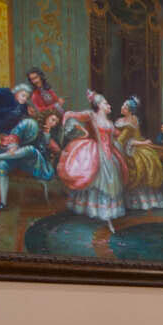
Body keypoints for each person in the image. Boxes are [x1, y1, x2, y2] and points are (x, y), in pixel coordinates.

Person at [56, 92, 127, 228]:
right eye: (106, 103)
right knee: (94, 176)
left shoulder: (110, 124)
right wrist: (68, 115)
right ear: (99, 105)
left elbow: (117, 136)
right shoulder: (92, 116)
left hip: (109, 154)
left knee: (112, 178)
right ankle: (95, 210)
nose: (109, 106)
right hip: (96, 152)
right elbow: (75, 115)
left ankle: (106, 212)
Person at [0, 114, 57, 209]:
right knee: (3, 165)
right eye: (53, 119)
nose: (54, 123)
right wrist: (14, 144)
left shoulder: (47, 134)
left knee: (30, 149)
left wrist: (47, 134)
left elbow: (50, 149)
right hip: (18, 156)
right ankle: (3, 203)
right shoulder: (31, 124)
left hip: (34, 161)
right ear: (46, 117)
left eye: (56, 122)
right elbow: (16, 134)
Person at [114, 98, 163, 211]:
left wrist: (143, 143)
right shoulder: (119, 121)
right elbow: (119, 139)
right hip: (122, 145)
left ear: (130, 110)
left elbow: (133, 138)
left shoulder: (133, 121)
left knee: (144, 161)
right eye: (122, 106)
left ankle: (143, 200)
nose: (122, 108)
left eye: (125, 107)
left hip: (134, 145)